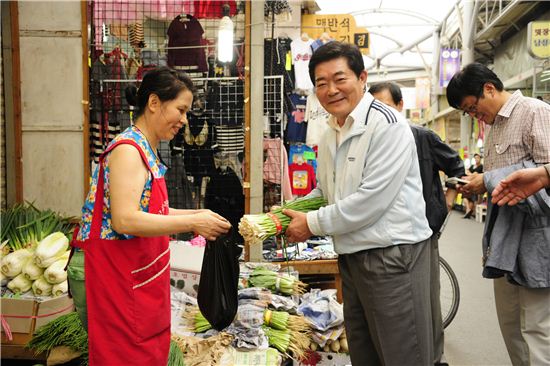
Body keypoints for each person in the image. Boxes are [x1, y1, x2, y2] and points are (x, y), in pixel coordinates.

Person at [67, 67, 231, 365]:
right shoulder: (129, 150)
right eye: (180, 110)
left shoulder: (145, 147)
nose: (184, 120)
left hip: (137, 279)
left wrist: (200, 214)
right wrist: (193, 222)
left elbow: (152, 212)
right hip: (119, 279)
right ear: (154, 103)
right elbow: (125, 220)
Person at [283, 41, 434, 365]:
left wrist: (310, 224)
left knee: (403, 354)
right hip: (352, 256)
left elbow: (370, 202)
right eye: (321, 83)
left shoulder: (387, 125)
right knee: (365, 354)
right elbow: (327, 191)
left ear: (362, 77)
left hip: (392, 258)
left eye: (340, 79)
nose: (331, 90)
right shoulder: (330, 131)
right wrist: (289, 210)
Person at [447, 62, 550, 365]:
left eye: (472, 108)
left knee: (536, 328)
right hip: (503, 240)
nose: (474, 116)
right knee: (511, 326)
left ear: (489, 89)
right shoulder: (493, 128)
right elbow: (506, 183)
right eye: (467, 113)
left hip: (536, 238)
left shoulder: (534, 112)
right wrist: (481, 185)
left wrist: (488, 179)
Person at [369, 81, 465, 366]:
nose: (381, 114)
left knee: (427, 296)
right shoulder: (372, 141)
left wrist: (447, 202)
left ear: (400, 106)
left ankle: (436, 356)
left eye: (386, 106)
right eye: (375, 108)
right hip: (391, 233)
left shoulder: (422, 136)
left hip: (424, 228)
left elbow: (456, 166)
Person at [462, 153, 483, 219]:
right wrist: (472, 174)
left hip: (476, 183)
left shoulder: (481, 166)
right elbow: (467, 172)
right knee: (465, 196)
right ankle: (468, 210)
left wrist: (472, 174)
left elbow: (477, 175)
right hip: (468, 183)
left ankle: (468, 212)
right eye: (475, 158)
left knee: (472, 199)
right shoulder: (472, 166)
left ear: (480, 159)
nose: (476, 159)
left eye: (478, 158)